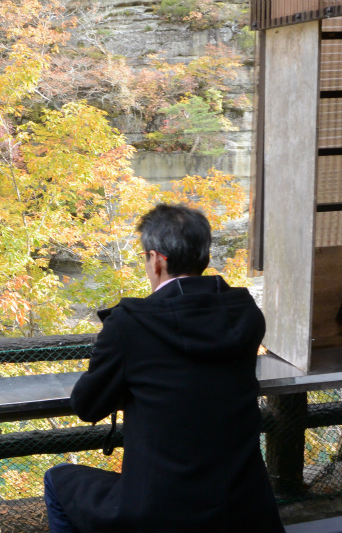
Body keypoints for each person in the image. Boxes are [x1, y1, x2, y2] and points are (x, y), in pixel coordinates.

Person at [44, 204, 283, 533]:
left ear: (156, 260)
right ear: (203, 257)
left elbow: (87, 406)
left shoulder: (130, 325)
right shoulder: (245, 314)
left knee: (57, 480)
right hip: (246, 505)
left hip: (161, 512)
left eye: (145, 258)